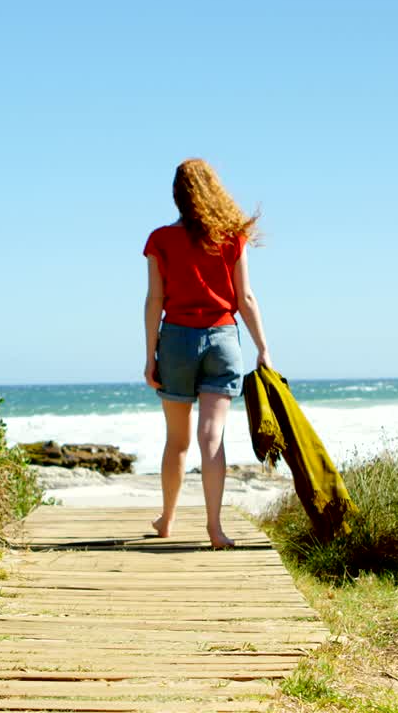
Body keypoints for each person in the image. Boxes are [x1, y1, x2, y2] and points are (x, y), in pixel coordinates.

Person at [142, 158, 272, 549]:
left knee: (177, 441)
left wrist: (150, 356)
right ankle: (215, 530)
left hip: (177, 341)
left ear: (177, 196)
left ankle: (167, 520)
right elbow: (245, 297)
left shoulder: (160, 240)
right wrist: (264, 348)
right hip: (222, 339)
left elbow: (154, 301)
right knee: (211, 437)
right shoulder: (232, 238)